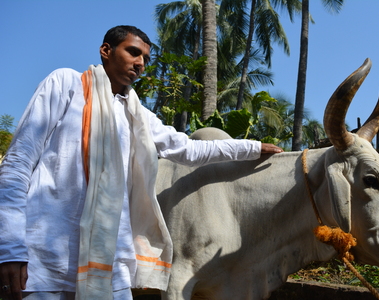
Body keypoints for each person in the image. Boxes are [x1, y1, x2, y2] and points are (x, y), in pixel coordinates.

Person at [0, 25, 283, 300]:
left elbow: (188, 149)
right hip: (47, 258)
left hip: (111, 260)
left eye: (146, 59)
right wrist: (11, 248)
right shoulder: (65, 83)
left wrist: (253, 147)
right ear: (106, 50)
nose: (140, 63)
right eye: (133, 52)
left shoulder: (137, 115)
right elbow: (17, 164)